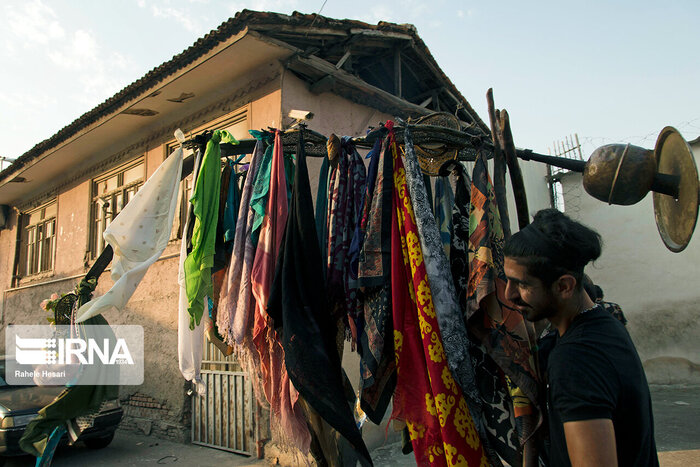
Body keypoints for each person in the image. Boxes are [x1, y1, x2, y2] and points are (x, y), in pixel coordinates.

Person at [503, 209, 658, 467]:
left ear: (564, 286)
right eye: (507, 281)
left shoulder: (575, 360)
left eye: (522, 284)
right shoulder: (605, 324)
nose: (509, 295)